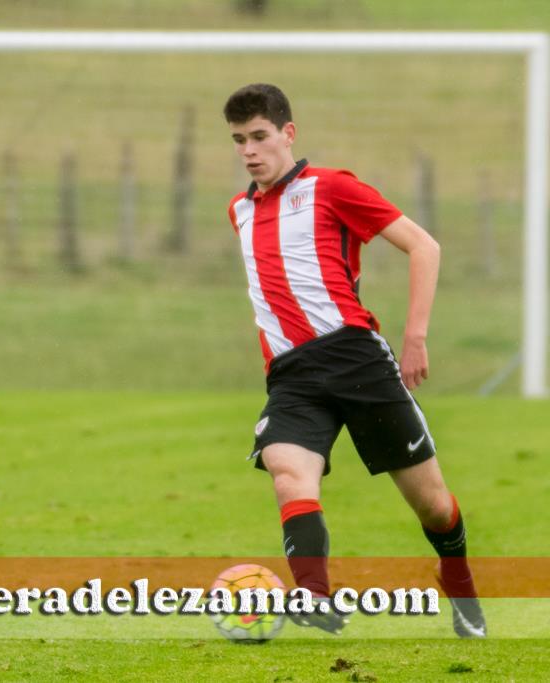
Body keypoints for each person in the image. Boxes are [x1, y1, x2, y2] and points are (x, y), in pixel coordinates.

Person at [222, 83, 485, 637]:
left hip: (357, 361)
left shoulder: (331, 187)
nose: (250, 150)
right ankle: (314, 597)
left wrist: (415, 337)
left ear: (288, 134)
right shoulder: (239, 210)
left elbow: (424, 246)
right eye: (239, 140)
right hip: (292, 375)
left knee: (434, 507)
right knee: (288, 473)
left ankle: (458, 581)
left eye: (260, 137)